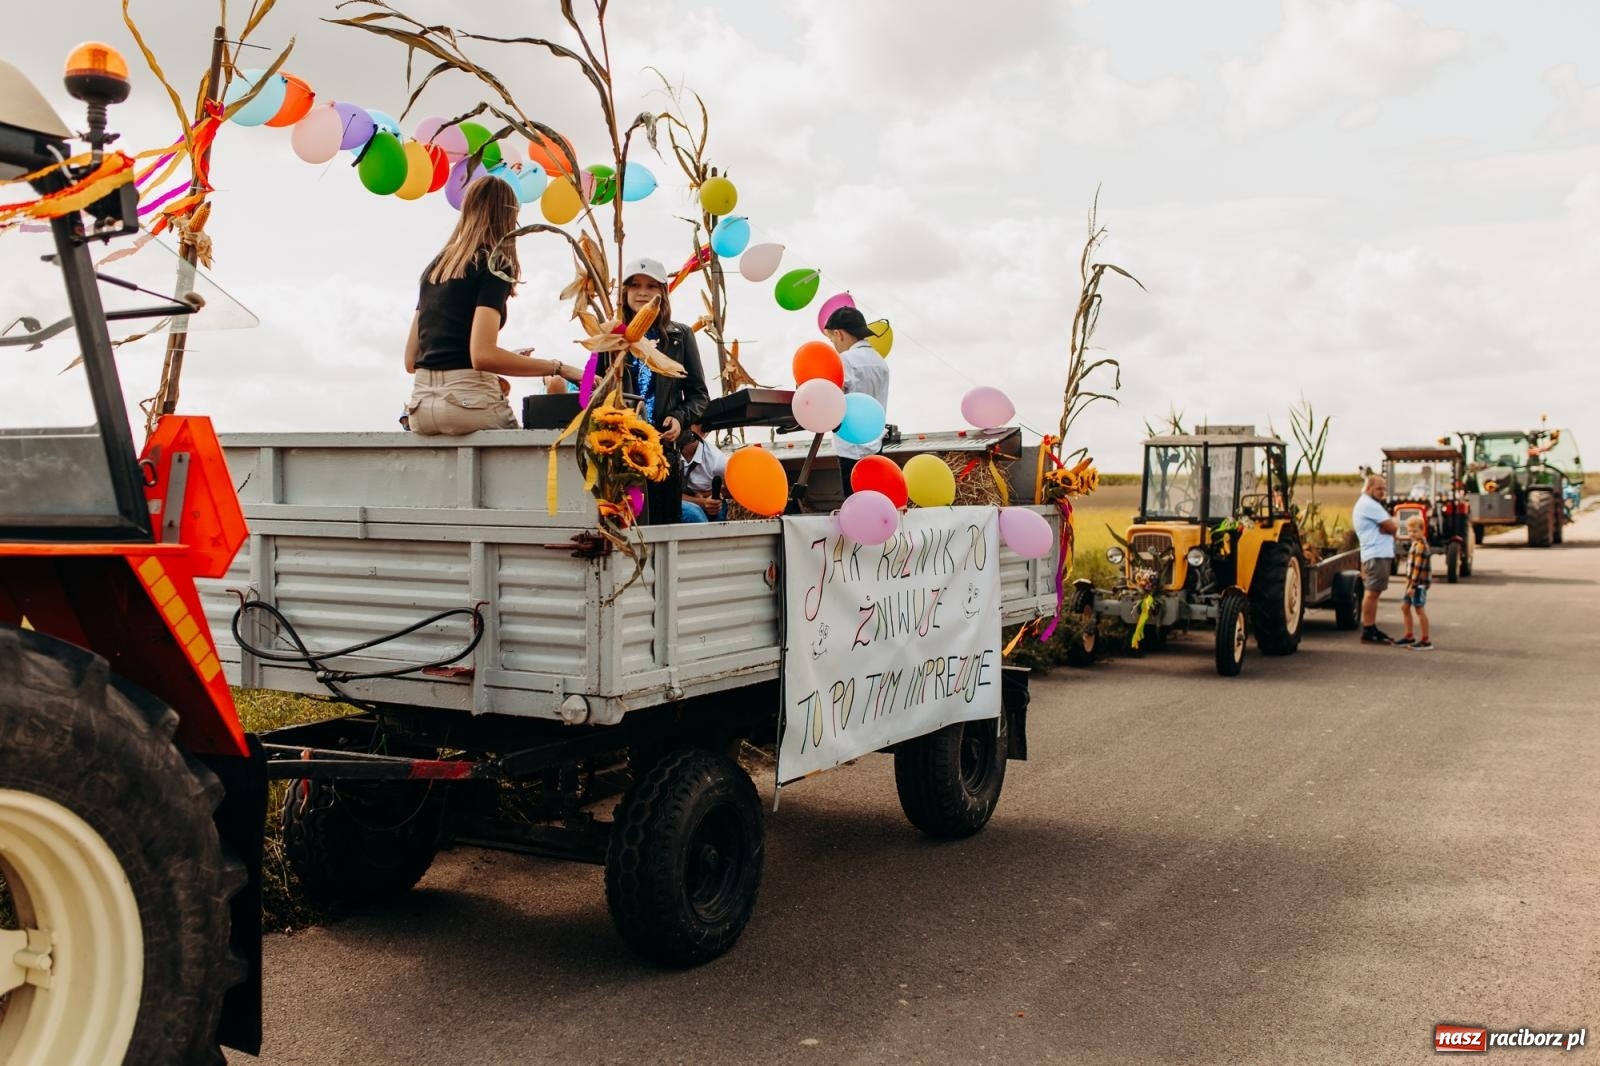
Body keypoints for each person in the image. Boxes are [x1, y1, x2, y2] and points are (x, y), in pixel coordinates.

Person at [403, 177, 580, 434]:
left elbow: (411, 361)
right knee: (532, 455)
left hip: (420, 407)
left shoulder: (435, 268)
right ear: (508, 218)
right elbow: (482, 356)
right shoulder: (494, 263)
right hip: (466, 403)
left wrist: (508, 359)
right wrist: (559, 367)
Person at [618, 257, 710, 524]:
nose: (643, 292)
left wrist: (680, 418)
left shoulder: (680, 336)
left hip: (662, 455)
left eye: (651, 286)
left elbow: (699, 395)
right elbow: (590, 383)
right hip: (620, 455)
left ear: (663, 294)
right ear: (624, 293)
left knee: (661, 529)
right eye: (635, 285)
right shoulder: (612, 336)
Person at [821, 306, 889, 497]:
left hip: (851, 448)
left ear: (839, 334)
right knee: (876, 500)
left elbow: (833, 398)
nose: (833, 343)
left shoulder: (844, 361)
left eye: (831, 338)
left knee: (856, 502)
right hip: (876, 444)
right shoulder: (880, 361)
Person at [1352, 473, 1400, 644]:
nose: (1382, 492)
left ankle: (1371, 627)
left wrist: (1388, 526)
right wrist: (1390, 526)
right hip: (1376, 554)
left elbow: (1389, 527)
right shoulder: (1369, 505)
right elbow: (1392, 527)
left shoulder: (1372, 504)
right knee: (1372, 592)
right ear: (1369, 488)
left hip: (1378, 553)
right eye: (1379, 488)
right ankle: (1368, 629)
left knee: (1375, 592)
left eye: (1384, 488)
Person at [1397, 515, 1432, 650]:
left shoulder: (1421, 546)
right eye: (1410, 531)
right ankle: (1409, 636)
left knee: (1419, 608)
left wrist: (1413, 585)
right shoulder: (1415, 544)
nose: (1412, 534)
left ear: (1423, 530)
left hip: (1418, 584)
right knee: (1405, 607)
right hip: (1411, 584)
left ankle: (1425, 640)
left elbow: (1418, 568)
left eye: (1415, 531)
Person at [679, 423, 728, 522]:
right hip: (677, 501)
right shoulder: (665, 453)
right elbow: (668, 496)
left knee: (719, 509)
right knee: (694, 515)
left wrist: (708, 497)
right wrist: (701, 501)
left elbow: (730, 490)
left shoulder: (716, 459)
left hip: (703, 499)